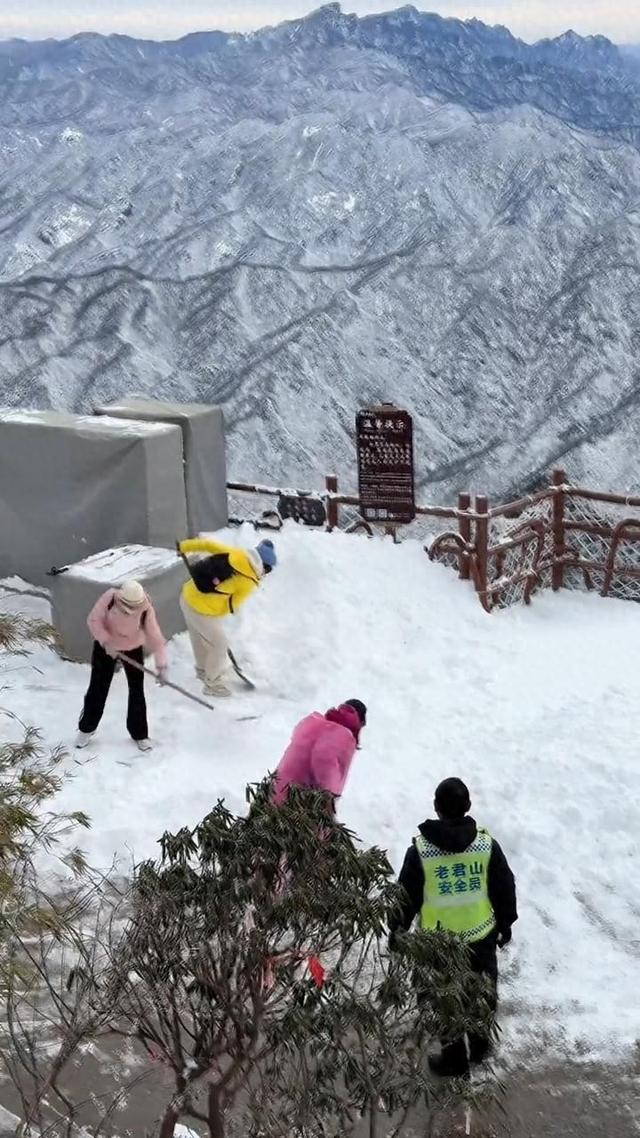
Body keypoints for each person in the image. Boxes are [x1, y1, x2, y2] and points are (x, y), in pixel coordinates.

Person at [389, 777, 517, 1078]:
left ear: (436, 808)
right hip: (480, 938)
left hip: (437, 945)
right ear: (468, 806)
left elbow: (405, 897)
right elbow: (504, 887)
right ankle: (481, 1046)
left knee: (443, 999)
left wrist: (397, 929)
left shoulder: (421, 852)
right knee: (481, 993)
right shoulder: (486, 845)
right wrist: (506, 923)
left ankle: (454, 1058)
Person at [177, 536, 276, 698]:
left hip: (187, 596)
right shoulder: (249, 580)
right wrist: (217, 614)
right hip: (202, 609)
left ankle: (203, 670)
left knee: (199, 637)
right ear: (264, 566)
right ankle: (212, 683)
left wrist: (184, 546)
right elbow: (231, 605)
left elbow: (208, 544)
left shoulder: (236, 553)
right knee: (219, 645)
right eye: (268, 570)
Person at [76, 580, 168, 752]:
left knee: (136, 690)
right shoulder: (110, 597)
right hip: (106, 646)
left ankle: (139, 733)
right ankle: (86, 728)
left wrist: (161, 666)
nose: (130, 610)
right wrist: (105, 640)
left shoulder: (146, 608)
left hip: (132, 647)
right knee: (98, 688)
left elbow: (156, 637)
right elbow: (93, 620)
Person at [272, 700, 367, 809]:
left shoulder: (314, 722)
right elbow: (324, 760)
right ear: (361, 722)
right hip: (299, 802)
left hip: (277, 788)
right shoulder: (343, 736)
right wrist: (327, 800)